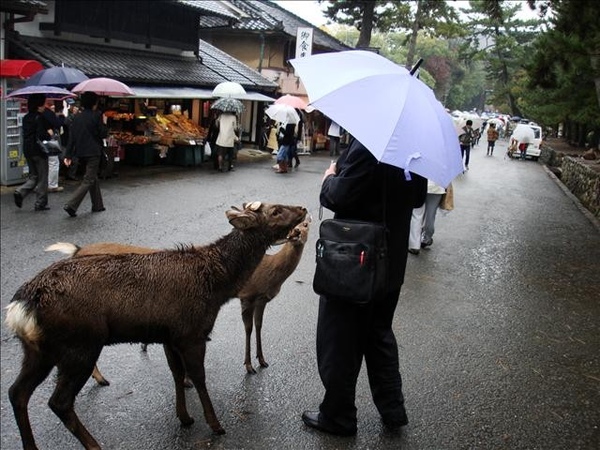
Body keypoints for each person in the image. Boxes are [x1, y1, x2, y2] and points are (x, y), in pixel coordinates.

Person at [301, 135, 427, 436]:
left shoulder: (371, 143)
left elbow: (338, 197)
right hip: (391, 261)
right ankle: (393, 410)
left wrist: (330, 177)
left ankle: (337, 416)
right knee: (378, 333)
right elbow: (419, 198)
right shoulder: (414, 145)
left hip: (355, 260)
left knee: (339, 339)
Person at [62, 91, 108, 217]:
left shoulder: (77, 117)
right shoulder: (97, 115)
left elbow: (72, 138)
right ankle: (71, 205)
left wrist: (68, 155)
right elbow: (103, 134)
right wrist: (104, 122)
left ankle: (98, 205)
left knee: (92, 177)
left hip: (80, 152)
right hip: (93, 151)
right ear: (94, 103)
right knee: (88, 179)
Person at [13, 94, 51, 211]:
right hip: (39, 150)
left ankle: (20, 191)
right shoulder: (40, 117)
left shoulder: (26, 117)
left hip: (27, 149)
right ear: (39, 105)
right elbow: (41, 135)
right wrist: (49, 134)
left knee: (33, 175)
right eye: (44, 103)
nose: (45, 106)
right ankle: (40, 202)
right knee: (43, 177)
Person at [408, 180, 446, 255]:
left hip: (420, 184)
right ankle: (426, 238)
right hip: (436, 187)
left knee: (416, 214)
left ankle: (414, 245)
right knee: (430, 215)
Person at [42, 98, 65, 193]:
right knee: (53, 162)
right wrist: (61, 117)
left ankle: (40, 184)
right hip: (49, 140)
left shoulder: (37, 113)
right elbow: (58, 124)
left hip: (38, 141)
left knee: (42, 164)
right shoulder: (48, 113)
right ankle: (52, 185)